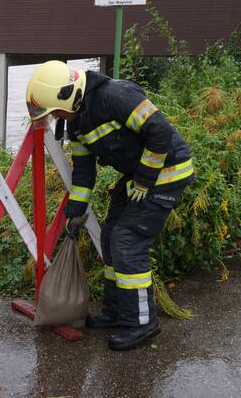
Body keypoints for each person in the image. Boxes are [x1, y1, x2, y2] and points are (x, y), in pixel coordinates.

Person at [26, 60, 194, 351]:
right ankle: (117, 312)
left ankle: (142, 323)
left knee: (127, 242)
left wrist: (143, 179)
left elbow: (159, 131)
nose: (53, 119)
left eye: (54, 113)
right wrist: (75, 210)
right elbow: (83, 171)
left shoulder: (114, 96)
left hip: (167, 173)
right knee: (110, 236)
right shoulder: (76, 123)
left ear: (70, 96)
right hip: (138, 177)